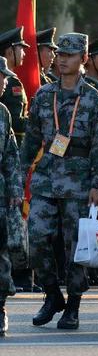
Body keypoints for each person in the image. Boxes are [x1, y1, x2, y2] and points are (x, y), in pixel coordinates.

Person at [22, 32, 98, 330]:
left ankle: (72, 305)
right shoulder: (45, 95)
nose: (62, 59)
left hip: (80, 179)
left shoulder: (93, 97)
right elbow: (32, 138)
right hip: (47, 176)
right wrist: (22, 172)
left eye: (70, 55)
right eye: (60, 54)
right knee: (36, 241)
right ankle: (51, 295)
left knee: (77, 247)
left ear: (83, 59)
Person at [0, 57, 24, 337]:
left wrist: (16, 191)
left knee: (2, 253)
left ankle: (0, 307)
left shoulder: (4, 112)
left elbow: (11, 156)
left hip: (1, 194)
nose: (5, 82)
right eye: (2, 77)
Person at [0, 27, 29, 145]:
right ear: (10, 52)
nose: (24, 53)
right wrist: (40, 120)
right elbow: (15, 122)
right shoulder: (12, 83)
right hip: (12, 145)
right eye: (21, 48)